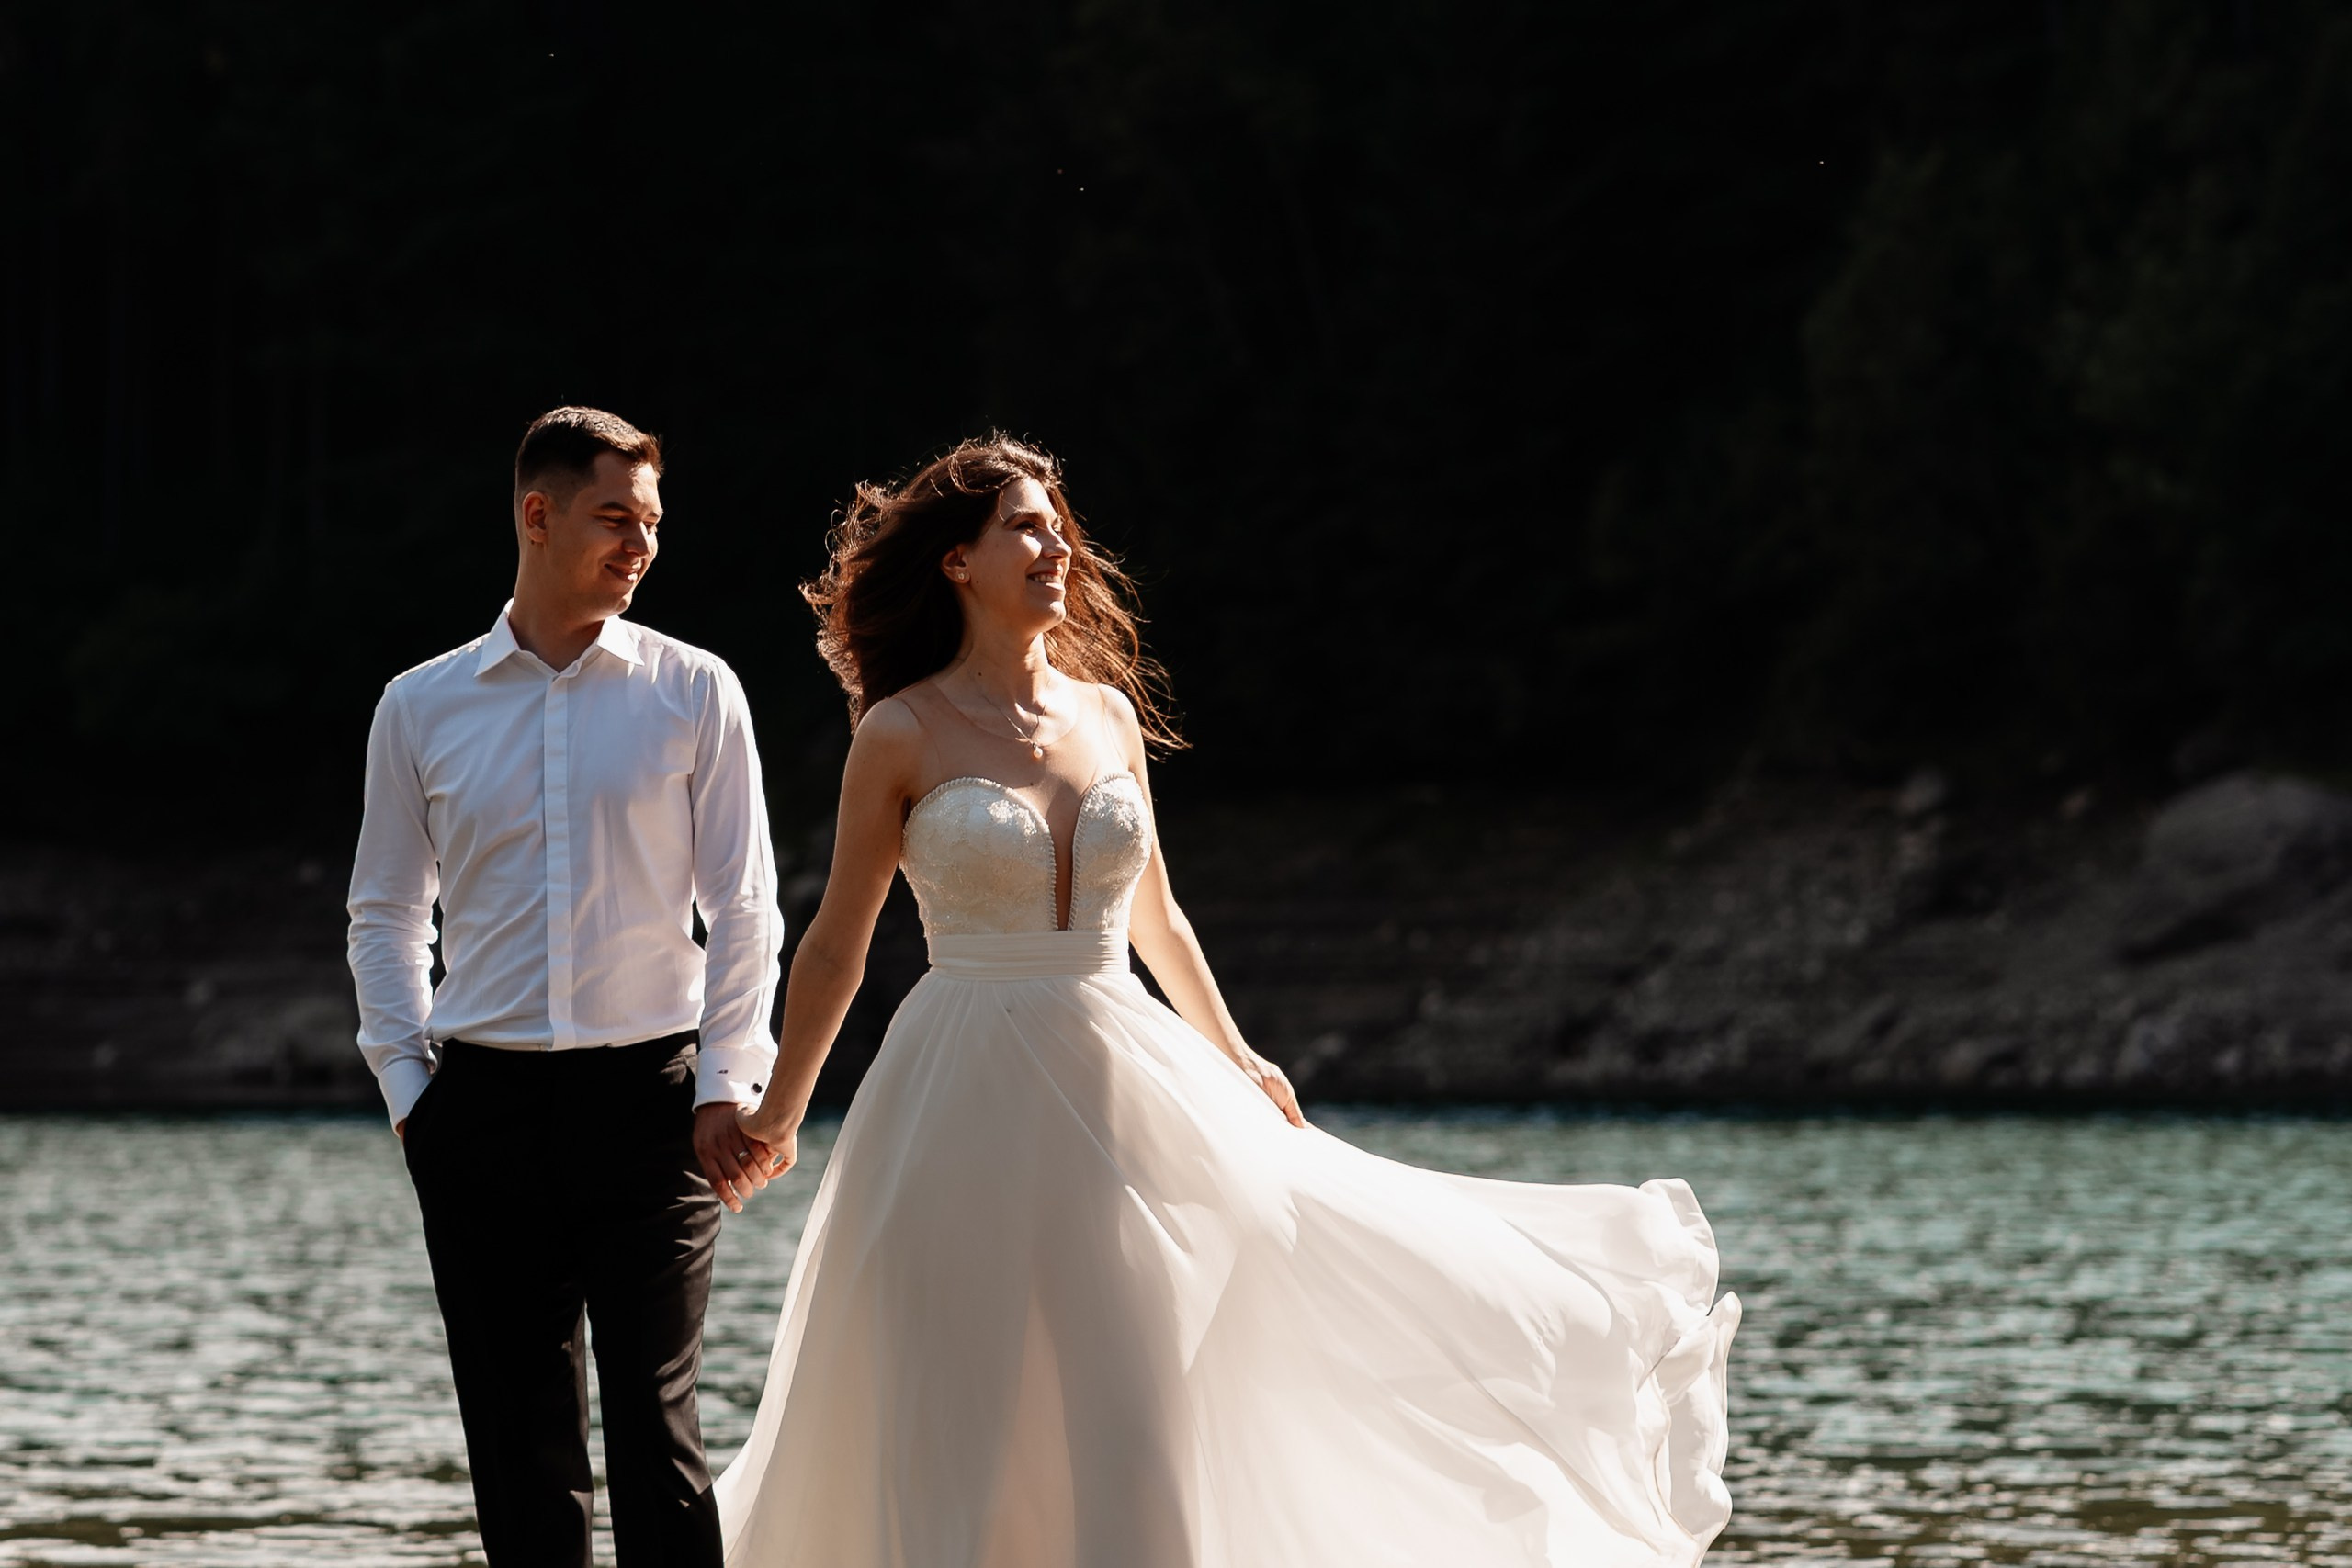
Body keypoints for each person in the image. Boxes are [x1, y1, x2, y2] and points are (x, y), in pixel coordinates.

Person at [713, 434, 1740, 1567]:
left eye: (1059, 525)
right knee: (969, 1412)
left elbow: (1158, 919)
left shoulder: (1105, 715)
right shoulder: (899, 730)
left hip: (1124, 1085)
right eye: (1024, 526)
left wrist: (1238, 1056)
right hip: (963, 1092)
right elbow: (836, 948)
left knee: (1140, 1395)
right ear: (955, 561)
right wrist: (777, 1114)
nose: (1055, 546)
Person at [345, 407, 786, 1568]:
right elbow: (387, 911)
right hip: (476, 1114)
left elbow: (744, 908)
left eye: (651, 522)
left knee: (660, 1436)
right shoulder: (419, 705)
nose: (640, 545)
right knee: (519, 1448)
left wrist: (729, 1084)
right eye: (614, 519)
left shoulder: (697, 692)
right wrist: (409, 1088)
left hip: (658, 1108)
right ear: (537, 516)